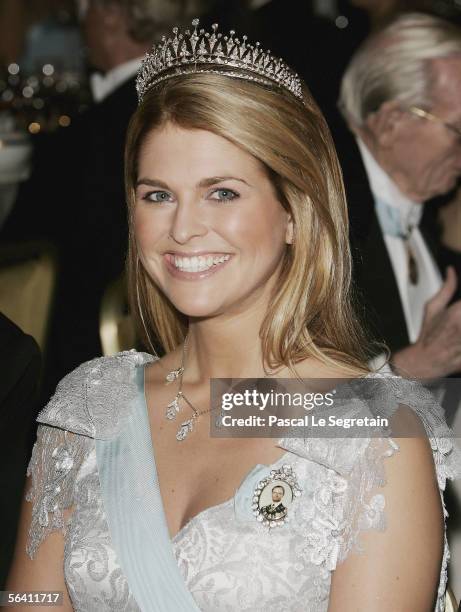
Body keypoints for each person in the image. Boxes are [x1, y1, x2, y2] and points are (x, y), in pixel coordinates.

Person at [6, 18, 459, 611]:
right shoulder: (90, 405)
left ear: (294, 211)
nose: (184, 227)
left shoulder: (373, 435)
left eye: (222, 192)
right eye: (157, 194)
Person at [336, 12, 461, 379]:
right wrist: (410, 370)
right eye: (458, 130)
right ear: (392, 122)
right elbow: (254, 409)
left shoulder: (419, 214)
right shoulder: (321, 216)